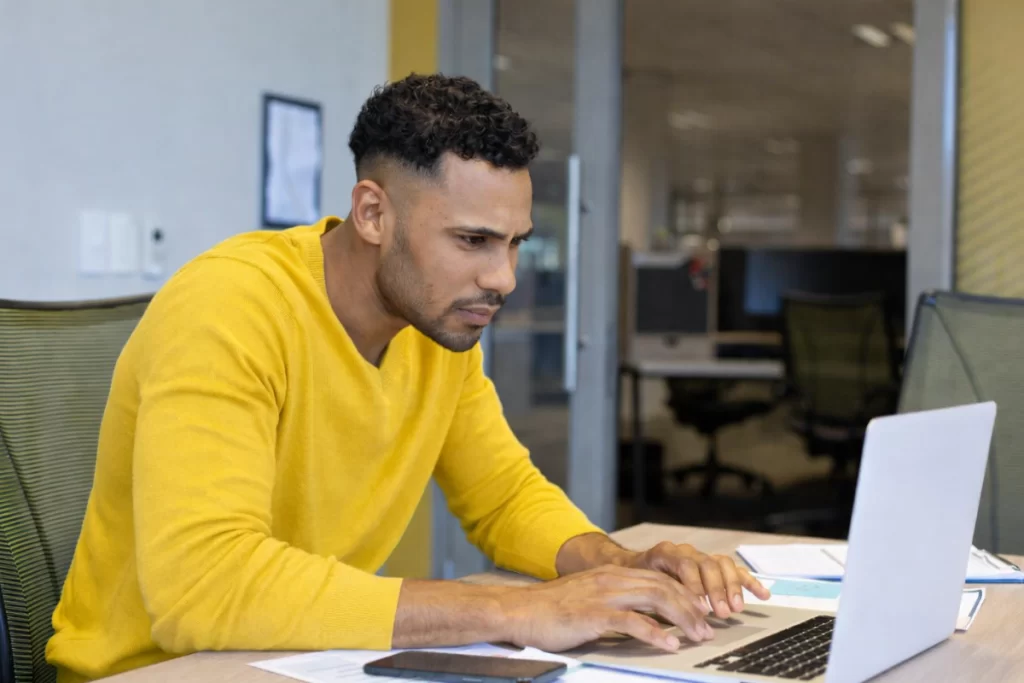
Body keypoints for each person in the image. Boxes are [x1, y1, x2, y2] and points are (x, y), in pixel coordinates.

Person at [46, 73, 768, 682]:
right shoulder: (230, 307)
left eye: (515, 243)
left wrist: (619, 564)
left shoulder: (432, 327)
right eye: (473, 240)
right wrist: (516, 610)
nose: (504, 278)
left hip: (301, 660)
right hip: (157, 669)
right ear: (372, 213)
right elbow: (204, 587)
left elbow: (503, 496)